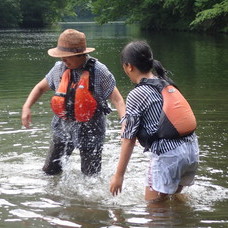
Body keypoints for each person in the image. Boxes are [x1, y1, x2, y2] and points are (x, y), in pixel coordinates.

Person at [21, 29, 125, 176]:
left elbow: (118, 99)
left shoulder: (99, 71)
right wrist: (27, 106)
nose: (63, 60)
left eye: (67, 57)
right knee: (50, 172)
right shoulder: (59, 68)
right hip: (63, 128)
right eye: (61, 56)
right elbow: (40, 87)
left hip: (92, 131)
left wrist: (124, 125)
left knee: (90, 177)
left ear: (80, 54)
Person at [110, 41, 199, 202]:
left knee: (154, 211)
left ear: (128, 66)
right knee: (175, 203)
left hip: (168, 157)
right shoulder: (165, 82)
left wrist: (119, 176)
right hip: (191, 151)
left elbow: (128, 140)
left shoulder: (137, 94)